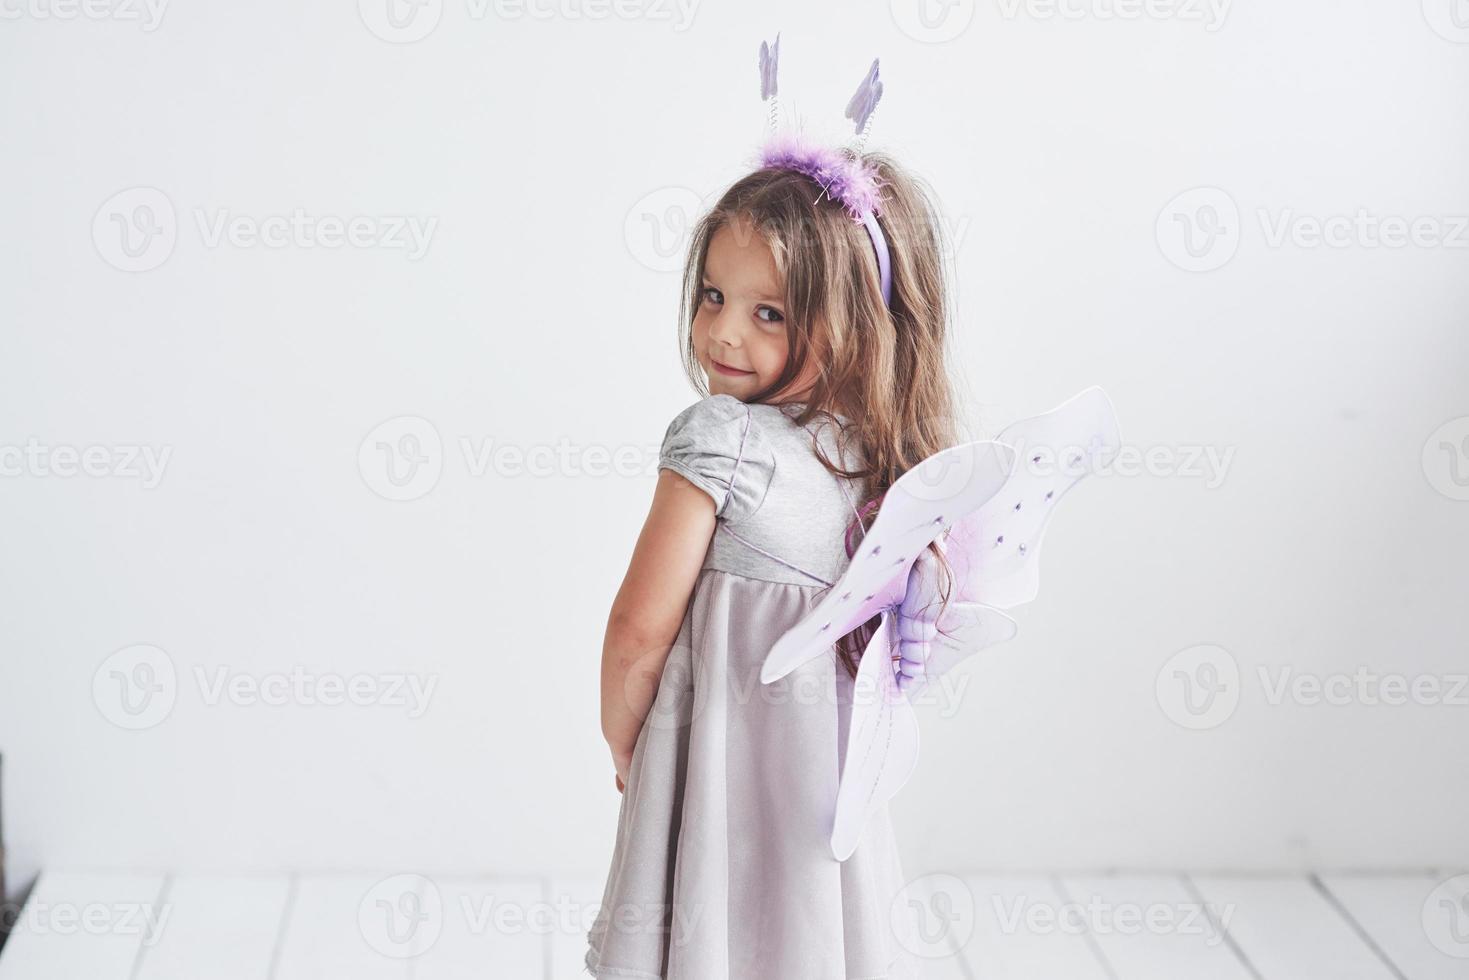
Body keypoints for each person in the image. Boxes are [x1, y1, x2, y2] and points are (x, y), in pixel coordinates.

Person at [586, 39, 955, 980]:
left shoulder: (720, 439)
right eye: (713, 296)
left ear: (854, 324)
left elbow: (638, 627)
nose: (718, 331)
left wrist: (627, 742)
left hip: (708, 760)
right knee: (803, 944)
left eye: (768, 312)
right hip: (822, 781)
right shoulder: (886, 465)